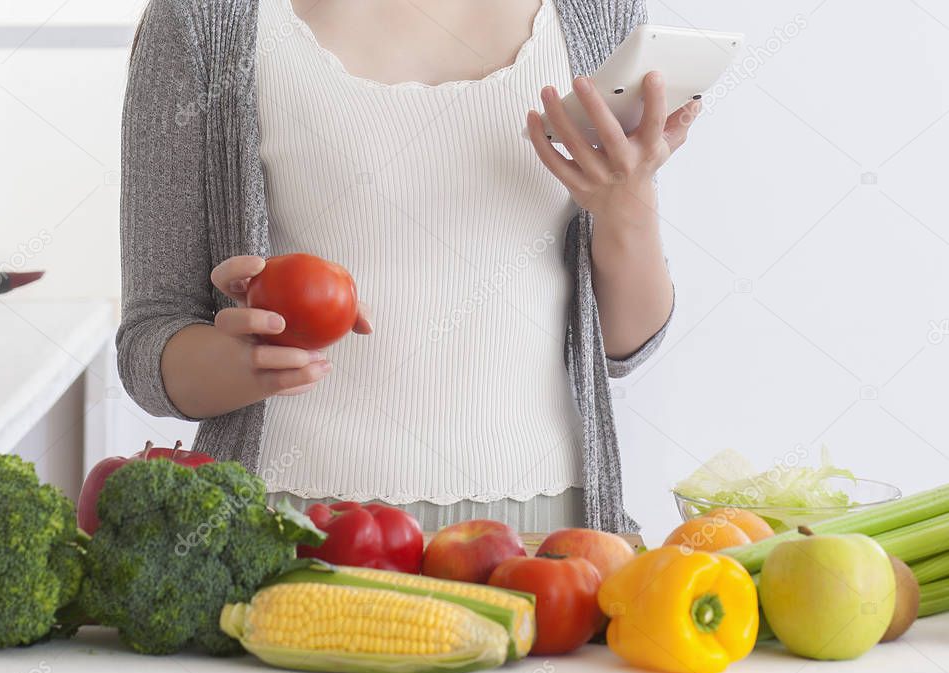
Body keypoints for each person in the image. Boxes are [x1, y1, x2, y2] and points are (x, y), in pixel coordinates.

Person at [117, 0, 700, 533]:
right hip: (286, 536)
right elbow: (149, 340)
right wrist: (240, 363)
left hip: (548, 544)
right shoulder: (204, 21)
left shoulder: (596, 14)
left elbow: (625, 347)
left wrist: (628, 209)